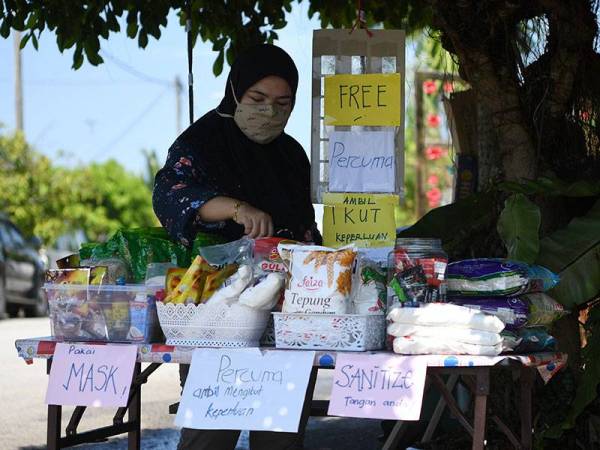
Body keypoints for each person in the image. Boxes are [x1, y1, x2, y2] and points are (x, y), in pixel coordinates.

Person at [153, 44, 319, 450]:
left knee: (279, 437)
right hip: (217, 315)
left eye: (283, 104)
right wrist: (236, 208)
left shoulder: (292, 155)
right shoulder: (203, 142)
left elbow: (306, 230)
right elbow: (170, 195)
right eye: (257, 100)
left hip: (284, 316)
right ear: (234, 91)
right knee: (210, 435)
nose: (269, 113)